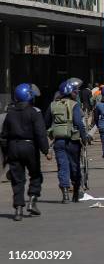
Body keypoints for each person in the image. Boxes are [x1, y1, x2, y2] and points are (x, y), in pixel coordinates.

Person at [0, 84, 51, 221]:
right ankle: (32, 200)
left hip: (13, 148)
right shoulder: (34, 112)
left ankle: (18, 209)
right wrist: (45, 150)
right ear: (30, 97)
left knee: (17, 180)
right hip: (29, 147)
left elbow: (4, 136)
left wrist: (6, 153)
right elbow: (40, 133)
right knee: (35, 175)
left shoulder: (10, 114)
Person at [45, 81, 90, 203]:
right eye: (75, 92)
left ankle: (65, 194)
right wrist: (84, 138)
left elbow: (47, 122)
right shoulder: (74, 105)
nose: (76, 94)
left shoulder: (52, 105)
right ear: (70, 93)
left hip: (58, 141)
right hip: (73, 141)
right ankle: (75, 192)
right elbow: (78, 123)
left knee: (62, 167)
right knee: (75, 167)